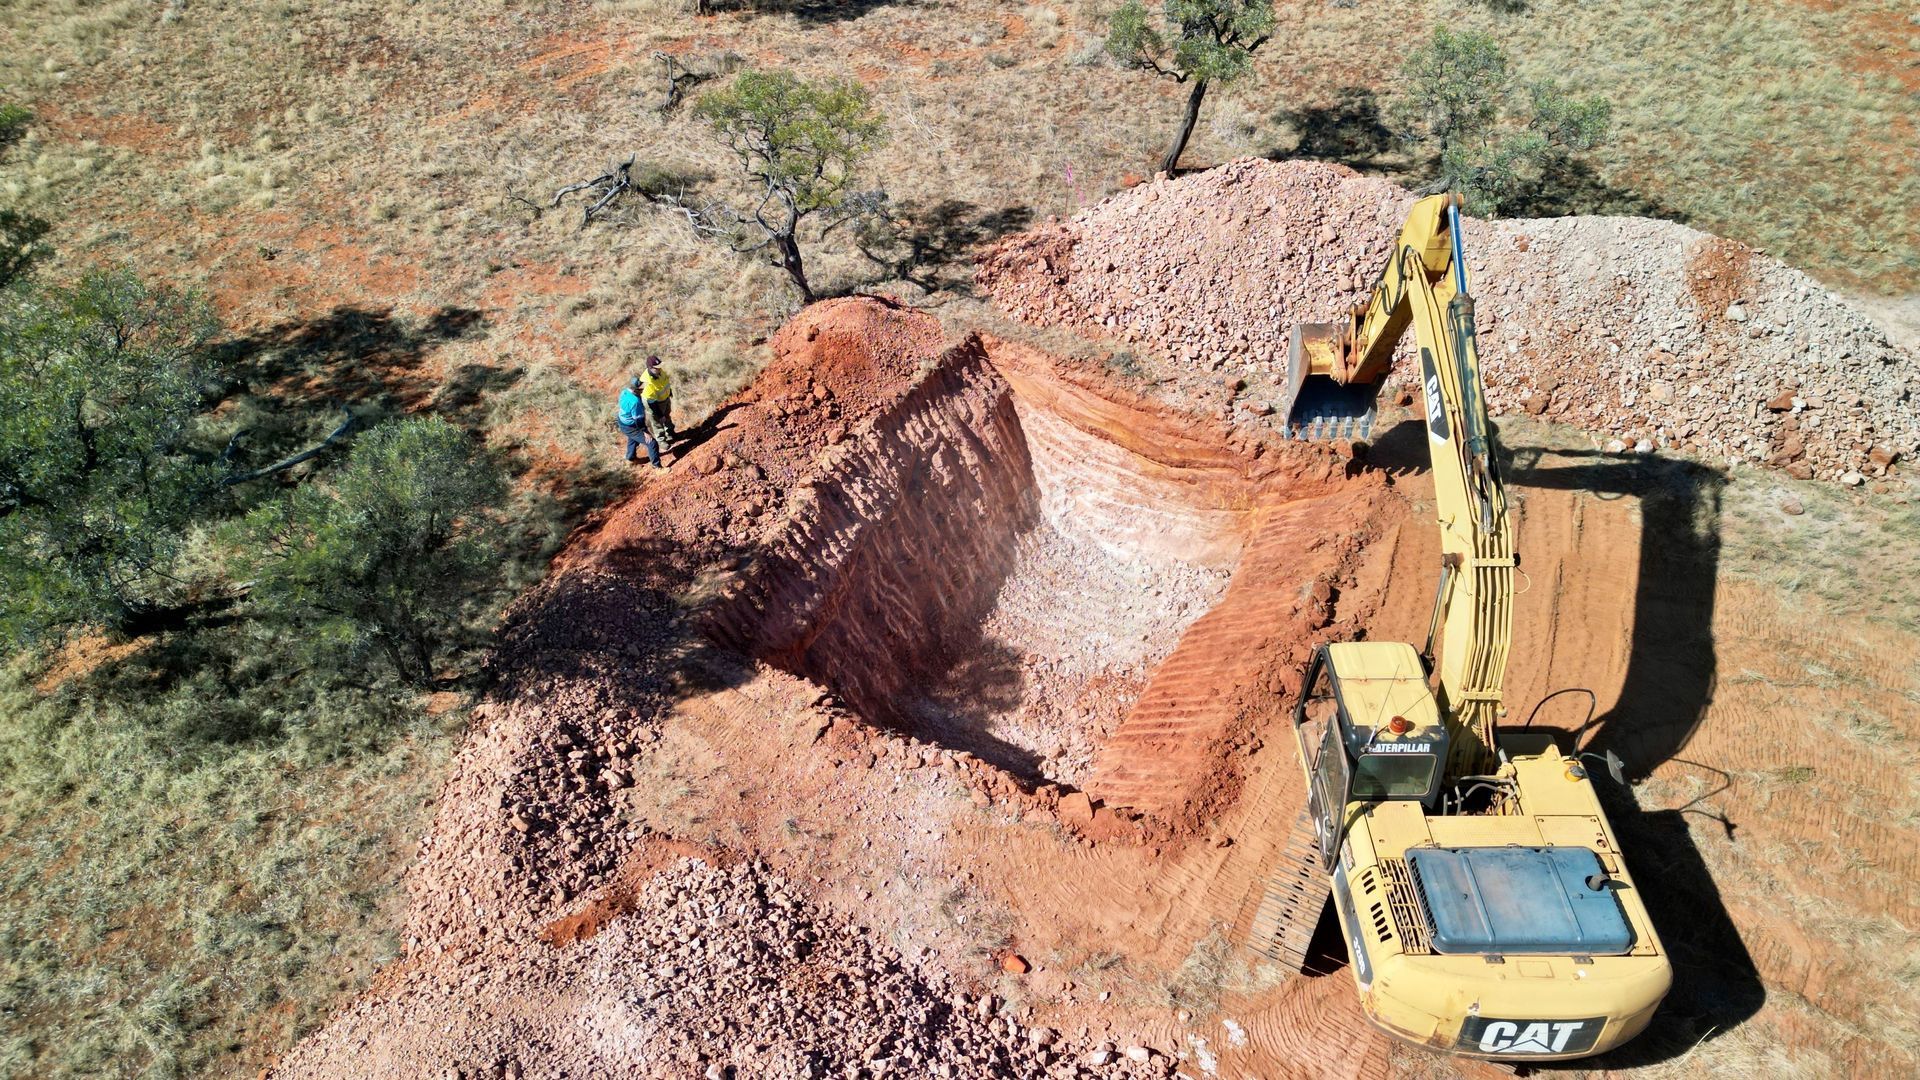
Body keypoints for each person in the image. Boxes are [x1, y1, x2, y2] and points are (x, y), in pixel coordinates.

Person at [618, 375, 662, 468]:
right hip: (631, 425)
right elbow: (639, 420)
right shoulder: (635, 402)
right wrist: (645, 432)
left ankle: (630, 458)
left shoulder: (624, 392)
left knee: (633, 438)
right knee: (651, 442)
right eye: (641, 389)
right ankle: (657, 467)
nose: (643, 390)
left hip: (622, 421)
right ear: (635, 390)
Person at [640, 355, 674, 446]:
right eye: (657, 368)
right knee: (657, 422)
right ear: (650, 368)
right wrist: (659, 414)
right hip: (655, 404)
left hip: (664, 399)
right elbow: (651, 402)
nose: (660, 369)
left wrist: (669, 392)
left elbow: (665, 382)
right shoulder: (648, 382)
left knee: (667, 416)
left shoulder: (659, 371)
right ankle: (661, 440)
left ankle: (670, 433)